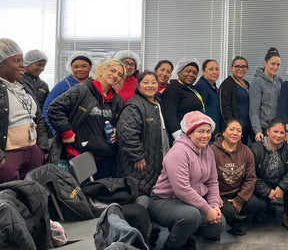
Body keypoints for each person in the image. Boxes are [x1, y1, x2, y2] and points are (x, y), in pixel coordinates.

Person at [149, 111, 225, 250]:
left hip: (188, 201)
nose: (205, 136)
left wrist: (214, 206)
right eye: (200, 131)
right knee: (191, 215)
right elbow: (182, 189)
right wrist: (206, 209)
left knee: (218, 225)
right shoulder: (178, 153)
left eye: (208, 131)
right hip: (164, 201)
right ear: (189, 133)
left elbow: (212, 181)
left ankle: (184, 233)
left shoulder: (207, 150)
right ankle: (170, 248)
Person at [47, 58, 125, 179]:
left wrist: (116, 129)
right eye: (113, 70)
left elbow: (120, 121)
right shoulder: (82, 90)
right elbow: (54, 108)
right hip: (79, 153)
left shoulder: (117, 100)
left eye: (119, 74)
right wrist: (66, 131)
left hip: (104, 156)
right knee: (80, 194)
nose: (115, 75)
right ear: (102, 70)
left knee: (99, 193)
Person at [116, 71, 169, 206]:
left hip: (154, 158)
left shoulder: (157, 103)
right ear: (138, 86)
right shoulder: (134, 105)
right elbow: (127, 133)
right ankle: (139, 222)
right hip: (139, 161)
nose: (150, 85)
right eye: (146, 82)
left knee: (150, 190)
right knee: (140, 193)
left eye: (153, 82)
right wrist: (137, 155)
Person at [0, 38, 48, 183]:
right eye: (16, 60)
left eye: (23, 60)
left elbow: (38, 117)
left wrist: (42, 149)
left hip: (32, 151)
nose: (23, 65)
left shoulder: (23, 86)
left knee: (29, 198)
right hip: (9, 155)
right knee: (8, 200)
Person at [250, 118, 288, 234]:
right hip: (264, 183)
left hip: (283, 183)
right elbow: (251, 175)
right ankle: (263, 210)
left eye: (282, 133)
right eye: (275, 131)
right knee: (260, 205)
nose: (279, 135)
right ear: (267, 131)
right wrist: (267, 191)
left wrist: (282, 187)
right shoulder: (255, 148)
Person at [211, 119, 260, 236]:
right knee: (228, 211)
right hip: (219, 194)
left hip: (238, 192)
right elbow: (207, 179)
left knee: (254, 204)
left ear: (242, 134)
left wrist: (240, 199)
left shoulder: (246, 151)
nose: (235, 133)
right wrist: (214, 196)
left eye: (238, 130)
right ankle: (233, 221)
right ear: (223, 132)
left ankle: (237, 221)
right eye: (231, 129)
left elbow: (251, 178)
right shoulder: (212, 151)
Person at [43, 51, 93, 133]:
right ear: (71, 68)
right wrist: (55, 130)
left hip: (90, 132)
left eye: (84, 66)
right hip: (67, 132)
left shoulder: (95, 85)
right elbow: (48, 108)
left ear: (90, 67)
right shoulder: (62, 85)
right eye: (76, 67)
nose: (80, 69)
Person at [161, 58, 205, 142]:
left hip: (194, 136)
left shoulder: (192, 89)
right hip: (182, 138)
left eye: (194, 73)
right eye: (188, 71)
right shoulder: (172, 89)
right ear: (179, 72)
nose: (191, 74)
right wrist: (179, 137)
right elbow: (169, 116)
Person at [250, 48, 283, 142]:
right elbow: (253, 110)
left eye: (278, 64)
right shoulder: (257, 82)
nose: (275, 67)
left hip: (277, 130)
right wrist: (257, 131)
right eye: (273, 64)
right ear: (265, 63)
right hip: (263, 129)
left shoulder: (279, 81)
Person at [219, 56, 252, 143]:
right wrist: (233, 127)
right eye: (237, 66)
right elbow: (225, 107)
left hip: (247, 128)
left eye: (243, 66)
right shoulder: (227, 84)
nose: (240, 69)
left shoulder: (247, 84)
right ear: (231, 68)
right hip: (235, 130)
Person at [194, 59, 221, 139]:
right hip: (207, 132)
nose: (215, 72)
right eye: (211, 69)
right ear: (203, 71)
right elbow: (200, 110)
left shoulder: (213, 86)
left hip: (213, 130)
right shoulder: (202, 86)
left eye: (217, 69)